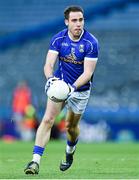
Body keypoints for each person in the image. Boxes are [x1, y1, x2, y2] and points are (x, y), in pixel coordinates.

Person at [24, 5, 99, 175]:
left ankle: (69, 152)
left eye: (81, 20)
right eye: (74, 20)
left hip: (80, 90)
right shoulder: (58, 39)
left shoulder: (91, 43)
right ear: (67, 22)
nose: (78, 24)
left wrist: (72, 88)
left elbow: (88, 73)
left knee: (70, 127)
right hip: (61, 84)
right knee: (48, 119)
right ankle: (35, 162)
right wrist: (51, 78)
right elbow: (48, 64)